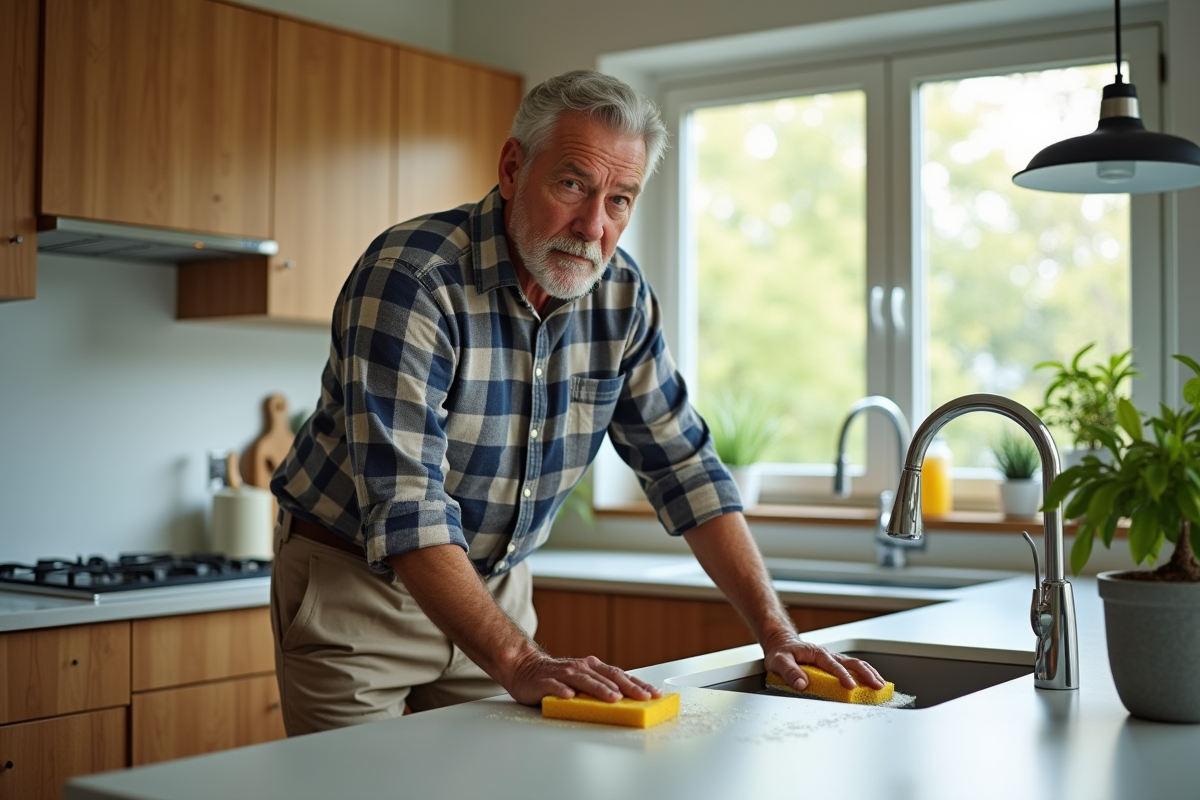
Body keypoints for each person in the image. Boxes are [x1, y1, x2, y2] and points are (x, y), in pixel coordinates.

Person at [269, 69, 884, 736]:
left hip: (494, 589)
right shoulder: (412, 278)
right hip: (359, 591)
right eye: (572, 185)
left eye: (620, 199)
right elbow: (407, 501)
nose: (593, 226)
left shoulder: (621, 297)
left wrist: (778, 633)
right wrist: (518, 658)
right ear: (512, 168)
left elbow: (685, 467)